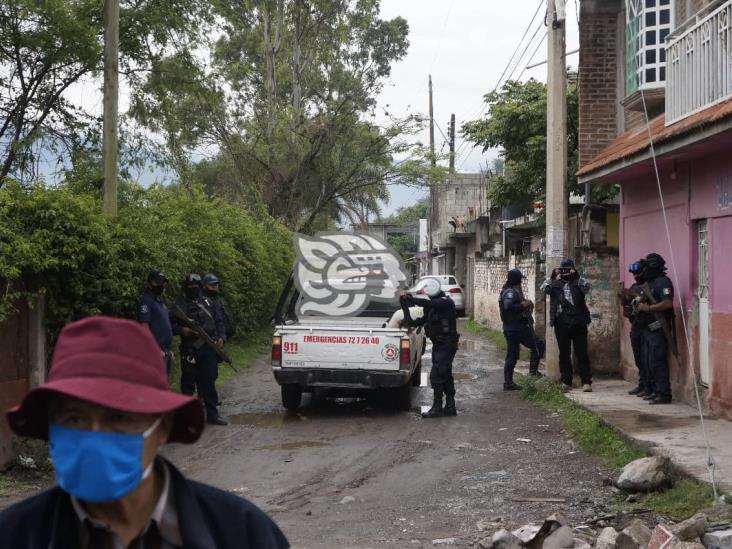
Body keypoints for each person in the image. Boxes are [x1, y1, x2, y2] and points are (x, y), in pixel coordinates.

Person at [0, 316, 289, 548]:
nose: (94, 436)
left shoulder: (240, 532)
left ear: (161, 428)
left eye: (118, 417)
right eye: (74, 418)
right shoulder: (14, 535)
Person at [174, 273, 228, 425]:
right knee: (188, 383)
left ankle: (212, 415)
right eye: (190, 287)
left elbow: (219, 322)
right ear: (185, 288)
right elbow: (170, 326)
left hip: (208, 348)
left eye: (196, 287)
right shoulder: (180, 306)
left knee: (209, 382)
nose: (193, 289)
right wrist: (182, 330)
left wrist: (221, 338)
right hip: (190, 349)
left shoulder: (209, 303)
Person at [400, 278, 459, 418]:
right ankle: (450, 406)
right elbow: (424, 318)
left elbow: (431, 303)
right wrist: (412, 322)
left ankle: (438, 407)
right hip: (439, 344)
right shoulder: (432, 304)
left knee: (437, 375)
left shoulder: (446, 301)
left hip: (447, 343)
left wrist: (412, 299)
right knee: (445, 374)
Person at [543, 258, 593, 392]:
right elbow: (544, 289)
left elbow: (587, 288)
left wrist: (576, 274)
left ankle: (586, 381)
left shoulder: (578, 282)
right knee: (564, 353)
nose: (565, 272)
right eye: (563, 269)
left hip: (579, 322)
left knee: (582, 353)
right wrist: (553, 276)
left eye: (568, 269)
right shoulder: (555, 284)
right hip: (561, 323)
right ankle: (566, 380)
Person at [636, 253, 675, 405]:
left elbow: (667, 303)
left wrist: (648, 308)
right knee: (648, 360)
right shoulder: (650, 283)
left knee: (658, 360)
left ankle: (664, 393)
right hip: (647, 327)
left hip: (659, 326)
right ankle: (654, 390)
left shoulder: (663, 282)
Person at [499, 268, 544, 391]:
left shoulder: (510, 290)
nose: (520, 282)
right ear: (516, 280)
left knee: (512, 355)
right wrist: (523, 305)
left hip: (511, 328)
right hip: (517, 328)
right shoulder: (510, 292)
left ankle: (508, 383)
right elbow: (508, 306)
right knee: (538, 346)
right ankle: (533, 373)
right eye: (519, 280)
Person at [619, 259, 654, 398]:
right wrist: (624, 298)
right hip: (637, 325)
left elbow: (651, 302)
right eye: (634, 273)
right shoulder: (635, 286)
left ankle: (652, 387)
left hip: (649, 326)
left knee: (649, 359)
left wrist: (635, 295)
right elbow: (628, 308)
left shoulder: (651, 286)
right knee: (639, 358)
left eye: (638, 273)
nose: (636, 276)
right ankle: (643, 384)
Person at [137, 270, 174, 374]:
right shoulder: (146, 301)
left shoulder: (159, 302)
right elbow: (144, 326)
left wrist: (168, 350)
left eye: (164, 283)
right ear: (152, 282)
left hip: (164, 351)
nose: (162, 285)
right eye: (160, 282)